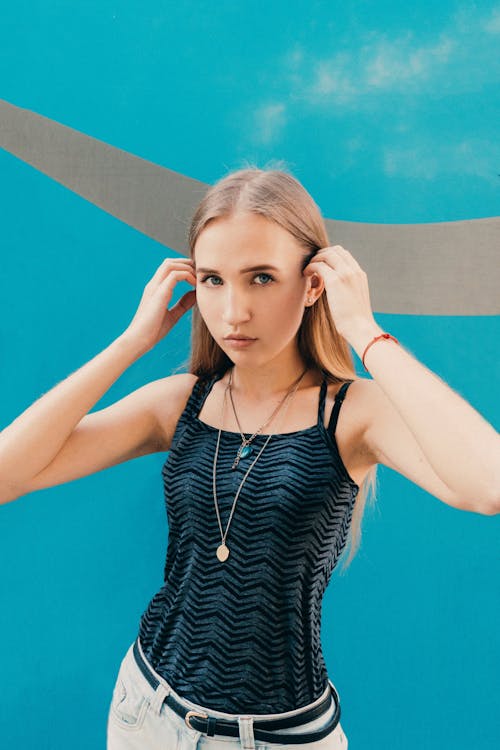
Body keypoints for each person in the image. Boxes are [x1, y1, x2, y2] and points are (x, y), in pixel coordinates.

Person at [0, 167, 498, 750]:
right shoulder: (182, 401)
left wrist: (364, 330)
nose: (233, 311)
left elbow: (487, 484)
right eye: (213, 279)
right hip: (147, 714)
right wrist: (133, 342)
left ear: (314, 283)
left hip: (285, 738)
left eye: (261, 278)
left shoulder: (352, 414)